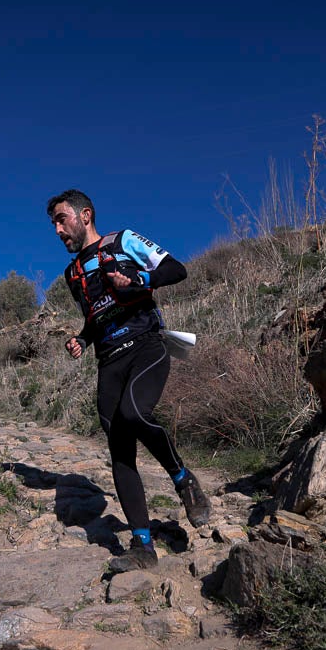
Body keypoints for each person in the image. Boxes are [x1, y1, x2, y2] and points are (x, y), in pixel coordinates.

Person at [47, 188, 210, 572]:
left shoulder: (123, 241)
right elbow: (94, 314)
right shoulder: (72, 274)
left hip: (146, 347)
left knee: (135, 414)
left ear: (85, 215)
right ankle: (142, 545)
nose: (57, 230)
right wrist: (82, 339)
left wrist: (139, 283)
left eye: (61, 219)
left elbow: (176, 269)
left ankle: (183, 479)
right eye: (53, 224)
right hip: (108, 363)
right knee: (119, 449)